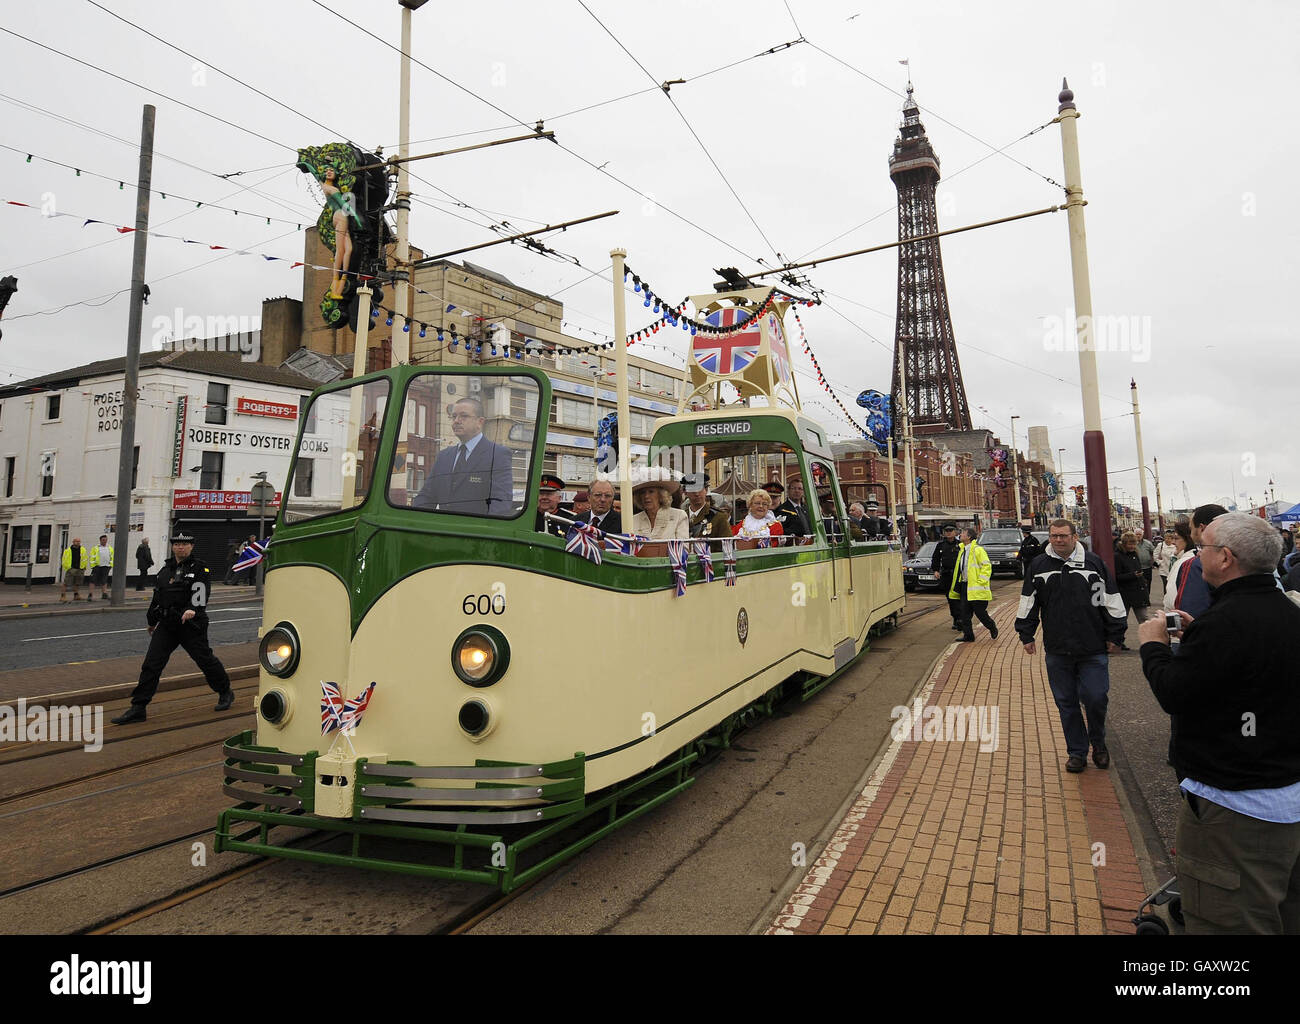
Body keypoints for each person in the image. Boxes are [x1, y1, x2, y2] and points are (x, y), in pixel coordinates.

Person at [1137, 512, 1300, 934]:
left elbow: (1175, 694)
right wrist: (1197, 641)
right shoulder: (1287, 612)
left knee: (1226, 920)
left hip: (1233, 812)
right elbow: (1254, 673)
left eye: (1204, 547)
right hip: (1289, 798)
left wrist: (1153, 647)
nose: (1199, 554)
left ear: (1224, 558)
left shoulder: (1224, 623)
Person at [1014, 519, 1127, 773]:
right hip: (1057, 649)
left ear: (1074, 536)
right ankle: (1076, 752)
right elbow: (1028, 602)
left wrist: (1115, 635)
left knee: (1096, 698)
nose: (1058, 540)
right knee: (1066, 702)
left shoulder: (1093, 564)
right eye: (1054, 536)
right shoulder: (1039, 565)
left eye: (1063, 536)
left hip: (1092, 647)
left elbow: (1108, 600)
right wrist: (1026, 634)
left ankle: (1098, 744)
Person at [111, 525, 234, 725]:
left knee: (205, 660)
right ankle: (138, 707)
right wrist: (152, 621)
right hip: (167, 625)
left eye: (185, 544)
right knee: (151, 664)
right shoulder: (165, 570)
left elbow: (201, 593)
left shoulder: (199, 568)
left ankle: (225, 691)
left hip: (191, 624)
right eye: (177, 544)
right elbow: (157, 598)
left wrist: (193, 609)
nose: (180, 548)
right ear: (172, 547)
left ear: (192, 546)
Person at [411, 397, 514, 516]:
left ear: (480, 422)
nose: (456, 421)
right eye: (454, 416)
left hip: (474, 531)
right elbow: (426, 496)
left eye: (463, 416)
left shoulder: (498, 454)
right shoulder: (444, 456)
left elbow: (500, 502)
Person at [1173, 504, 1229, 618]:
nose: (1190, 533)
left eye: (1191, 528)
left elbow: (1189, 613)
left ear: (1201, 528)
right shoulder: (1245, 557)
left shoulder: (1194, 565)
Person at [950, 527, 997, 643]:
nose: (960, 535)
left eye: (963, 533)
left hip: (977, 588)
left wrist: (981, 581)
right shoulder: (962, 550)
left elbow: (986, 566)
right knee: (965, 614)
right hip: (965, 586)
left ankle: (991, 626)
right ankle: (968, 636)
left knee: (980, 613)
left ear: (969, 537)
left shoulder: (978, 550)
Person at [1113, 531, 1149, 636]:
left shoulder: (1135, 554)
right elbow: (1117, 576)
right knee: (1122, 619)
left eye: (1134, 544)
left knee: (1144, 618)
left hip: (1138, 591)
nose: (1133, 546)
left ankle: (1150, 638)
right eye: (1130, 544)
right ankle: (1118, 640)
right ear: (1124, 544)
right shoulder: (1117, 556)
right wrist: (1133, 575)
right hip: (1126, 593)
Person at [632, 474, 688, 540]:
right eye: (643, 492)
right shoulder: (633, 520)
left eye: (651, 492)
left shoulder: (679, 516)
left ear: (661, 495)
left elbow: (684, 547)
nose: (646, 496)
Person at [930, 525, 963, 630]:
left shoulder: (960, 545)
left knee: (960, 598)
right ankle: (956, 618)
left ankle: (961, 619)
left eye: (951, 530)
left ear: (955, 532)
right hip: (947, 575)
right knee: (951, 599)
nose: (949, 533)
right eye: (947, 531)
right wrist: (935, 570)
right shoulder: (941, 545)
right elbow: (935, 558)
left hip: (959, 575)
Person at [1163, 520, 1198, 613]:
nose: (1173, 542)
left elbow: (1172, 598)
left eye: (1176, 538)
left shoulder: (1183, 563)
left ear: (1188, 540)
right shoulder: (1195, 558)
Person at [683, 473, 731, 540]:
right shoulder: (680, 516)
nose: (697, 494)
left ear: (706, 490)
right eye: (692, 490)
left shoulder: (718, 517)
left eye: (700, 489)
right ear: (685, 492)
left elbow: (727, 545)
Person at [60, 537, 88, 603]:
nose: (78, 543)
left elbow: (85, 558)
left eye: (79, 541)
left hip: (80, 568)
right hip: (71, 568)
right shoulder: (68, 550)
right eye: (76, 541)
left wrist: (84, 567)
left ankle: (76, 595)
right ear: (73, 542)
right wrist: (68, 568)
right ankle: (63, 596)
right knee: (66, 583)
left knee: (77, 583)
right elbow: (64, 559)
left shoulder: (83, 549)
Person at [87, 534, 113, 601]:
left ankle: (104, 594)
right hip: (97, 566)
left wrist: (110, 565)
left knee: (104, 580)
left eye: (106, 540)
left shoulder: (109, 548)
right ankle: (90, 594)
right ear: (100, 540)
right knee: (92, 580)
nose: (105, 541)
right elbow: (91, 557)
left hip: (106, 566)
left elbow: (112, 557)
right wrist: (93, 566)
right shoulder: (96, 548)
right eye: (103, 540)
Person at [1134, 527, 1155, 595]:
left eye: (1140, 534)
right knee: (1137, 584)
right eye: (1137, 534)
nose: (1138, 536)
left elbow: (1153, 552)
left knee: (1148, 583)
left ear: (1142, 535)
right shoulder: (1132, 544)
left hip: (1147, 567)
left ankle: (1147, 597)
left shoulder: (1148, 543)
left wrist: (1153, 561)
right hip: (1136, 568)